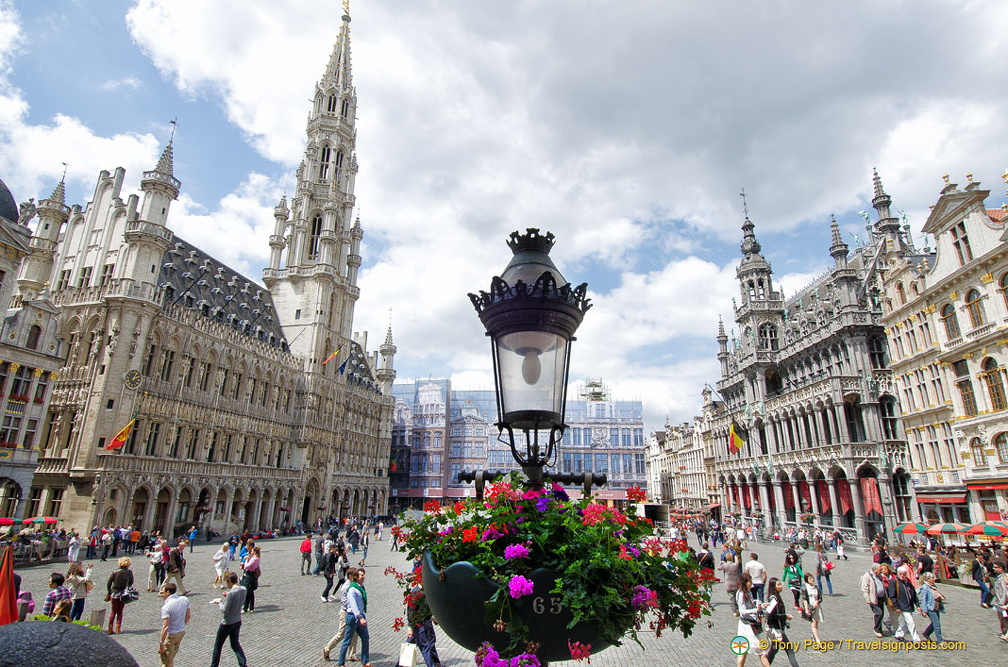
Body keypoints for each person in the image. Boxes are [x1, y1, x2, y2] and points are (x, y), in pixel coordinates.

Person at [211, 571, 248, 667]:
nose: (226, 584)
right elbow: (238, 600)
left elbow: (224, 610)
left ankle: (214, 665)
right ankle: (243, 663)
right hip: (237, 620)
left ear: (230, 581)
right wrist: (228, 596)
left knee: (218, 645)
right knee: (235, 644)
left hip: (227, 623)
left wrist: (219, 602)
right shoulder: (243, 589)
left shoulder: (231, 593)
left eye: (227, 582)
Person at [323, 567, 360, 662]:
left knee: (355, 634)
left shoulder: (353, 585)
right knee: (341, 634)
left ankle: (352, 655)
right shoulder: (346, 587)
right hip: (346, 613)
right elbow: (345, 603)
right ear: (350, 576)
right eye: (355, 575)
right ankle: (327, 649)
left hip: (353, 613)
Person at [337, 568, 371, 667]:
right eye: (361, 575)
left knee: (365, 638)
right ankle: (341, 663)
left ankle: (365, 661)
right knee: (347, 640)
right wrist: (360, 618)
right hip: (353, 617)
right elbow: (353, 604)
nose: (363, 576)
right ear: (356, 577)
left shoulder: (361, 587)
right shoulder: (352, 589)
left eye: (364, 574)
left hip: (360, 615)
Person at [735, 572, 770, 667]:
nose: (752, 584)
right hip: (746, 625)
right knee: (760, 650)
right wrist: (756, 610)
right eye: (750, 582)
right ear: (745, 582)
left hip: (750, 623)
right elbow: (742, 611)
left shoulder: (748, 592)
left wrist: (762, 606)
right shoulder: (741, 593)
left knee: (743, 650)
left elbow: (752, 604)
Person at [764, 577, 799, 667]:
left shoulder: (776, 597)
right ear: (773, 587)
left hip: (777, 628)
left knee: (774, 650)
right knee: (789, 650)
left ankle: (766, 664)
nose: (781, 586)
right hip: (776, 629)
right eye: (778, 584)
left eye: (780, 584)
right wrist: (785, 616)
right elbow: (772, 615)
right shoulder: (773, 598)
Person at [406, 578, 441, 667]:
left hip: (425, 622)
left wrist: (433, 618)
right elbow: (411, 611)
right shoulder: (416, 591)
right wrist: (410, 627)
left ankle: (400, 665)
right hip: (418, 624)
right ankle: (431, 665)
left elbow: (426, 609)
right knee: (424, 646)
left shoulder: (426, 590)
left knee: (412, 644)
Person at [158, 582, 191, 667]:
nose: (161, 595)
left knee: (167, 661)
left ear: (168, 592)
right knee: (170, 658)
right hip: (180, 633)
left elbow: (165, 627)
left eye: (162, 592)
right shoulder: (184, 599)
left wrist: (161, 643)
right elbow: (188, 616)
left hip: (171, 635)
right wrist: (181, 625)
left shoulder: (166, 607)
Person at [887, 565, 920, 642]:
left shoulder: (908, 582)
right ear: (898, 573)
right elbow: (892, 595)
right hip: (902, 605)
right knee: (911, 622)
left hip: (909, 606)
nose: (902, 575)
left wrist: (917, 605)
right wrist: (896, 606)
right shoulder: (894, 581)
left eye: (904, 574)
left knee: (905, 622)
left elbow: (913, 594)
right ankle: (917, 640)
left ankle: (899, 634)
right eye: (900, 574)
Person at [106, 556, 134, 635]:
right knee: (120, 612)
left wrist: (109, 591)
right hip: (123, 593)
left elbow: (109, 583)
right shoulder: (129, 572)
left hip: (114, 593)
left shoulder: (115, 572)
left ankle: (110, 629)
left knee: (113, 612)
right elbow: (131, 583)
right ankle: (118, 629)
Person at [859, 563, 886, 637]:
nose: (881, 571)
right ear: (874, 570)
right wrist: (868, 599)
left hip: (880, 598)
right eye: (880, 570)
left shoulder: (879, 576)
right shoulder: (867, 576)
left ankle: (880, 630)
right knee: (878, 613)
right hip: (873, 598)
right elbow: (865, 588)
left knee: (882, 614)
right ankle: (876, 629)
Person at [918, 571, 945, 644]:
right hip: (930, 608)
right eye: (932, 578)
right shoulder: (924, 588)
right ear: (928, 579)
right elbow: (924, 599)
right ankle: (940, 641)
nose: (934, 579)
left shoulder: (934, 586)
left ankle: (926, 633)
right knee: (937, 624)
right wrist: (924, 611)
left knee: (935, 623)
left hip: (936, 607)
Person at [800, 573, 823, 643]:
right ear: (807, 580)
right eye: (810, 578)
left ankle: (813, 635)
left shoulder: (816, 588)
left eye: (812, 578)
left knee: (816, 623)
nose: (812, 579)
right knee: (814, 623)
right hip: (810, 608)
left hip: (817, 607)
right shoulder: (804, 588)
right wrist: (806, 609)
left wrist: (817, 602)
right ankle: (817, 640)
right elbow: (804, 599)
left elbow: (820, 598)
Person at [718, 551, 742, 616]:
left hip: (728, 583)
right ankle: (739, 608)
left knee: (731, 598)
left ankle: (735, 610)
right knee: (736, 596)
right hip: (735, 582)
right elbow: (737, 562)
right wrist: (735, 557)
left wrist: (721, 562)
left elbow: (718, 568)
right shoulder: (734, 565)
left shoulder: (725, 565)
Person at [991, 559, 1008, 641]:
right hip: (999, 602)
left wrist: (1003, 602)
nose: (994, 569)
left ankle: (1005, 633)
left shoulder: (1003, 578)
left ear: (1001, 568)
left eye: (995, 567)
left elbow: (1004, 591)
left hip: (1002, 602)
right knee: (1001, 617)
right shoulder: (998, 577)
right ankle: (1004, 632)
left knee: (1004, 618)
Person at [241, 546, 261, 613]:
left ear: (254, 552)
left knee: (247, 592)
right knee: (251, 592)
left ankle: (245, 607)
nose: (251, 552)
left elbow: (246, 566)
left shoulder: (254, 559)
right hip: (253, 574)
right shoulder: (258, 558)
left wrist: (246, 560)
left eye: (252, 551)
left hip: (249, 575)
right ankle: (251, 607)